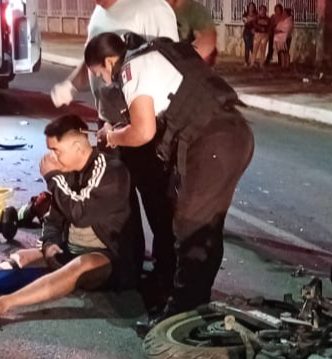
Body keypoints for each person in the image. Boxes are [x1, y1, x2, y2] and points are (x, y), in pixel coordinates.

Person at [84, 32, 255, 328]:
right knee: (205, 227)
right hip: (234, 134)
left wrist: (110, 136)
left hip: (212, 141)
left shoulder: (130, 69)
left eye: (100, 72)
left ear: (109, 61)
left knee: (190, 226)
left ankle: (178, 318)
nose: (103, 80)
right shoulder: (155, 52)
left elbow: (142, 131)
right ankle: (194, 305)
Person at [0, 115, 143, 325]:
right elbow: (54, 217)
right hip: (71, 250)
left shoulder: (110, 171)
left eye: (56, 150)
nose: (51, 157)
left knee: (80, 266)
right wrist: (49, 245)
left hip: (110, 260)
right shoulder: (66, 173)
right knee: (22, 257)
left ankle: (6, 303)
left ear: (78, 147)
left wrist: (52, 177)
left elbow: (80, 214)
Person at [48, 0, 179, 312]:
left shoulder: (152, 9)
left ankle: (167, 280)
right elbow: (89, 60)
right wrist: (72, 83)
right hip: (108, 125)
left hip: (147, 127)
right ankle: (128, 270)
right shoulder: (98, 15)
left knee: (158, 205)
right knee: (120, 205)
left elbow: (174, 62)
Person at [272, 3, 293, 68]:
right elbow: (277, 28)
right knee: (281, 51)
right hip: (280, 39)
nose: (283, 14)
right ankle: (283, 65)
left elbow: (285, 29)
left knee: (286, 52)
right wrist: (276, 30)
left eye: (284, 13)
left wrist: (278, 31)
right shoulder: (283, 21)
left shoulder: (289, 21)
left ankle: (287, 64)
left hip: (286, 38)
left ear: (287, 14)